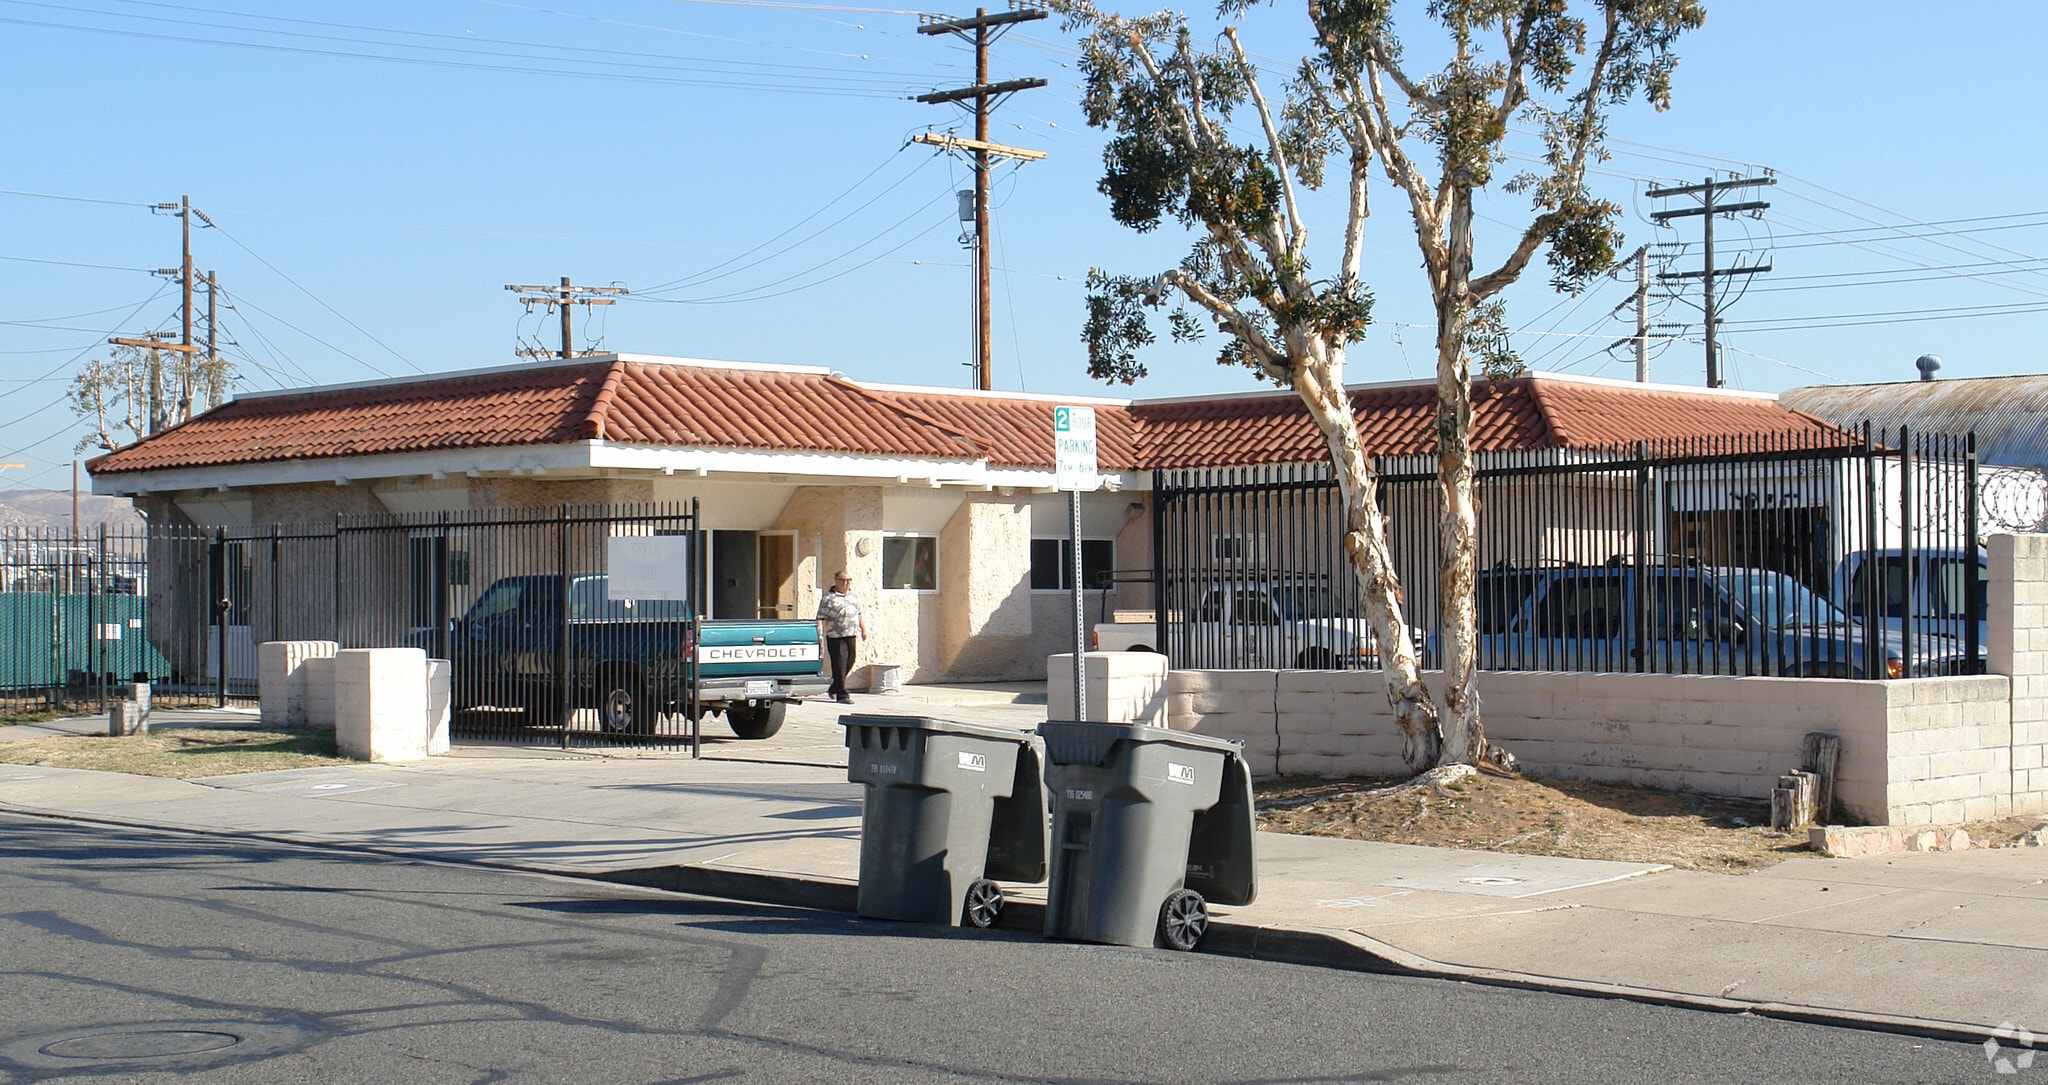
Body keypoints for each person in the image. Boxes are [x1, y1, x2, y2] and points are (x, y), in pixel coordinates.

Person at [816, 569, 867, 704]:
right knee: (839, 664)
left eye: (849, 580)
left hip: (851, 634)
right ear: (836, 581)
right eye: (843, 580)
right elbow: (820, 617)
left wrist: (863, 629)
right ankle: (842, 694)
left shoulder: (853, 596)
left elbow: (859, 613)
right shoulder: (828, 598)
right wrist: (819, 633)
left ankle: (834, 686)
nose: (847, 583)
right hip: (836, 637)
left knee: (850, 661)